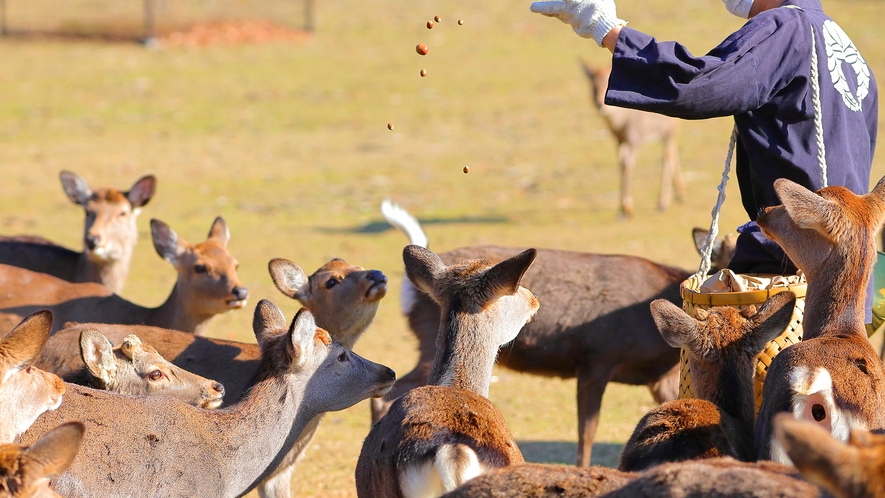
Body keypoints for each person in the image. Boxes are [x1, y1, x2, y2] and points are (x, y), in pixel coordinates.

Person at [531, 0, 878, 320]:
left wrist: (604, 27)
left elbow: (699, 83)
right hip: (847, 279)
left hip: (791, 270)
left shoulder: (786, 26)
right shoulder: (845, 47)